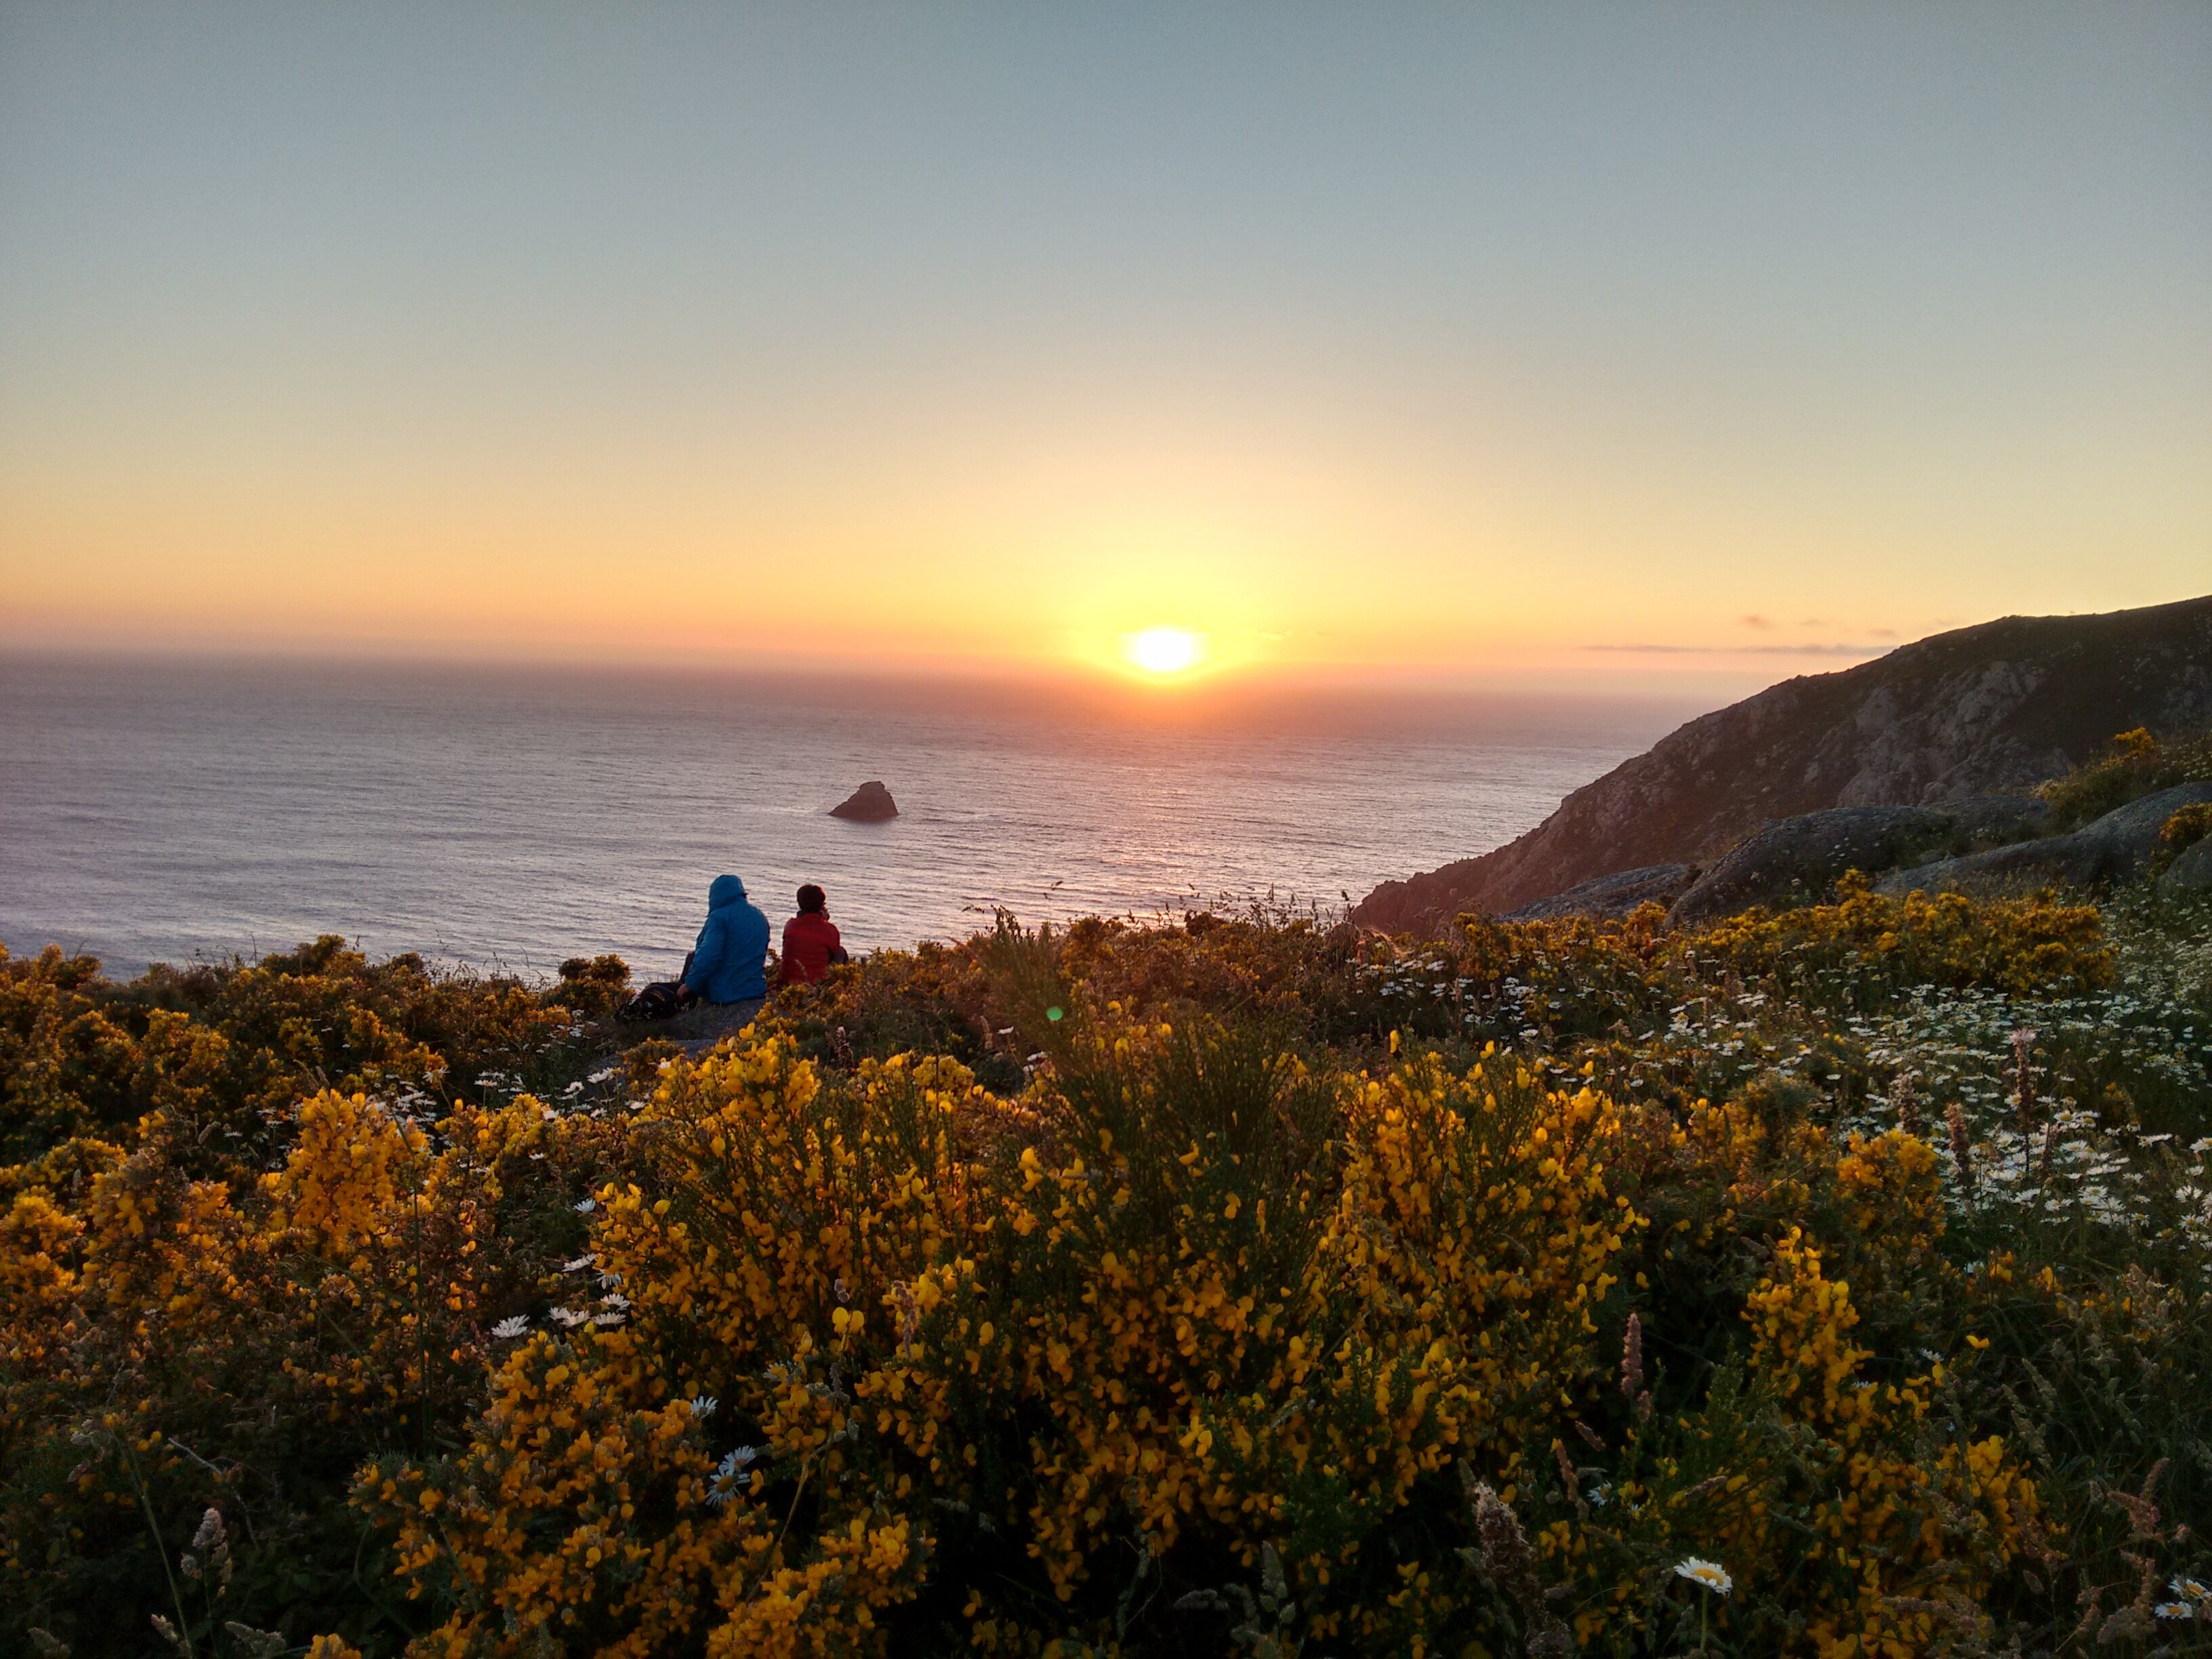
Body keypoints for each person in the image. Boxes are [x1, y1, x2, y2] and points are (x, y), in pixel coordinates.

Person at [676, 873, 770, 1039]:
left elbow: (709, 957)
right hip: (755, 990)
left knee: (693, 958)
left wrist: (689, 985)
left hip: (725, 993)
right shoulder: (759, 915)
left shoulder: (719, 917)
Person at [779, 883, 850, 986]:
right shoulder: (830, 930)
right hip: (816, 985)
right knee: (841, 951)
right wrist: (823, 920)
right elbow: (833, 952)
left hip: (788, 983)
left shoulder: (791, 925)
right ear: (821, 906)